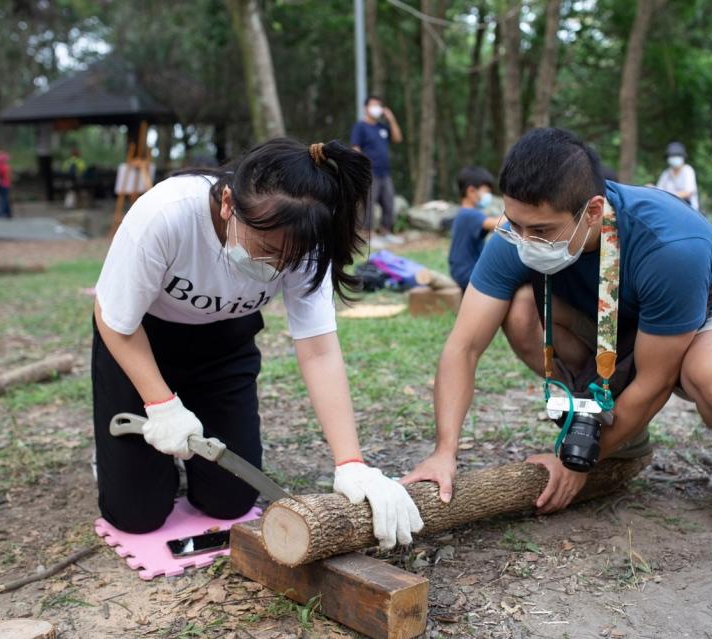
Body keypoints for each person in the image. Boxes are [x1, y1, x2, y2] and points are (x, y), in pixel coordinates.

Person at [404, 128, 712, 533]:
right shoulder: (518, 234)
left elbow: (656, 379)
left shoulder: (671, 245)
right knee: (519, 309)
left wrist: (572, 465)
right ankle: (598, 419)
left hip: (699, 321)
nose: (524, 241)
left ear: (593, 212)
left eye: (542, 231)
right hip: (609, 323)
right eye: (515, 224)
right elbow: (463, 346)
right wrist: (444, 452)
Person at [92, 138, 423, 548]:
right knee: (136, 515)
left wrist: (351, 463)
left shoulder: (307, 243)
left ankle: (177, 449)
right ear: (229, 204)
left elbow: (319, 350)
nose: (275, 267)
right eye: (266, 250)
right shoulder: (166, 214)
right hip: (140, 338)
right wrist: (162, 405)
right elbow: (114, 320)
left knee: (230, 501)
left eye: (288, 259)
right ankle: (118, 456)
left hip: (224, 343)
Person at [351, 96, 403, 244]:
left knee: (389, 202)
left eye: (379, 105)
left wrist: (391, 119)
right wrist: (360, 168)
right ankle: (367, 235)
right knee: (368, 203)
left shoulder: (382, 127)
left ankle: (386, 232)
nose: (376, 108)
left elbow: (398, 138)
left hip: (385, 172)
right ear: (366, 108)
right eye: (373, 105)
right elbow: (355, 148)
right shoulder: (360, 127)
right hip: (370, 172)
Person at [448, 166, 498, 291]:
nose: (489, 196)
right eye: (486, 191)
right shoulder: (469, 214)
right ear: (471, 191)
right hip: (467, 272)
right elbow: (498, 224)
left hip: (460, 271)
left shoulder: (465, 214)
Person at [655, 141, 699, 212]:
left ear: (682, 157)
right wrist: (652, 189)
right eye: (671, 156)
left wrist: (669, 196)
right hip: (670, 208)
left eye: (676, 156)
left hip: (689, 210)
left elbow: (688, 192)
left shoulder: (688, 170)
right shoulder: (666, 173)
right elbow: (659, 190)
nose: (674, 158)